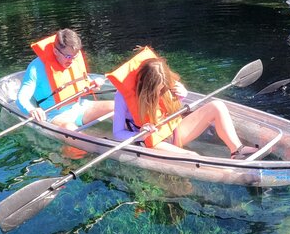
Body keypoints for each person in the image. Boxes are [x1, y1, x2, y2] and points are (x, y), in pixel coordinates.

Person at [107, 47, 258, 159]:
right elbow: (117, 133)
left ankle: (237, 150)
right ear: (145, 85)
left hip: (173, 131)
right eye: (157, 91)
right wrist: (140, 134)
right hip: (152, 141)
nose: (161, 93)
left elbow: (172, 108)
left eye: (163, 89)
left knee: (217, 106)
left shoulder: (166, 84)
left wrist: (182, 94)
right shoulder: (122, 97)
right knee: (192, 156)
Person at [17, 29, 114, 130]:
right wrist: (32, 110)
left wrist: (93, 85)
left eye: (75, 56)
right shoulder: (36, 68)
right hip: (55, 115)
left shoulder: (73, 60)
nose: (71, 61)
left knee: (115, 106)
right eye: (68, 56)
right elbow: (21, 98)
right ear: (55, 51)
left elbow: (86, 83)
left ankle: (124, 135)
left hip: (79, 107)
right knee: (69, 128)